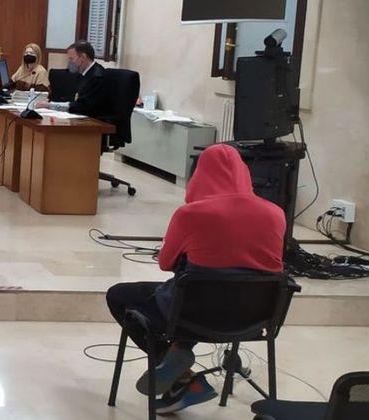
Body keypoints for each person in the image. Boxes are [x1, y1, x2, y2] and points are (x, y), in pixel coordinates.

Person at [105, 144, 285, 414]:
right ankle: (180, 371)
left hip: (193, 314)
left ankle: (178, 370)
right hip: (254, 318)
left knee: (120, 295)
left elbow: (166, 263)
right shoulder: (275, 213)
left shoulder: (191, 214)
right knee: (211, 293)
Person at [34, 40, 110, 116]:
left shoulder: (97, 77)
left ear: (83, 57)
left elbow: (82, 106)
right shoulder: (83, 74)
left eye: (71, 58)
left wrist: (50, 106)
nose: (69, 62)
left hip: (96, 121)